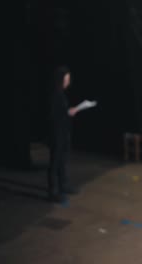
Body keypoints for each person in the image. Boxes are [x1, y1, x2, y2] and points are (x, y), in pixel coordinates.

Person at [47, 66, 79, 203]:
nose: (67, 82)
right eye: (66, 79)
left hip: (63, 133)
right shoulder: (55, 94)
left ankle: (63, 185)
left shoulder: (61, 93)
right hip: (56, 134)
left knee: (62, 161)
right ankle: (53, 191)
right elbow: (54, 116)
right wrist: (68, 113)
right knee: (55, 163)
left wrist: (69, 111)